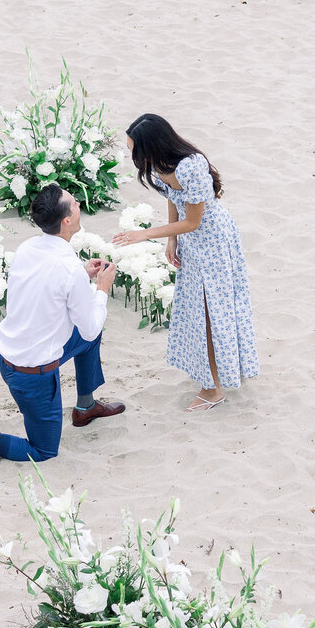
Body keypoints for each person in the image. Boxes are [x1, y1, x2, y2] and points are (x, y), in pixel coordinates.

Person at [0, 185, 125, 472]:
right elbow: (88, 327)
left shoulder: (28, 248)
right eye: (74, 204)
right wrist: (101, 289)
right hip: (32, 373)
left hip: (11, 354)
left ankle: (85, 407)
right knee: (43, 450)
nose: (79, 206)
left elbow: (45, 289)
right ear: (67, 221)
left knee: (89, 335)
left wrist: (82, 275)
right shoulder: (67, 266)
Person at [112, 114, 258, 412]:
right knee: (198, 311)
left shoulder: (191, 166)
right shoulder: (157, 166)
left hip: (214, 241)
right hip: (191, 242)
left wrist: (146, 234)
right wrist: (170, 239)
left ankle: (213, 389)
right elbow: (172, 197)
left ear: (152, 145)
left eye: (134, 150)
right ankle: (216, 375)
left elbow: (194, 221)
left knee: (210, 311)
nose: (133, 157)